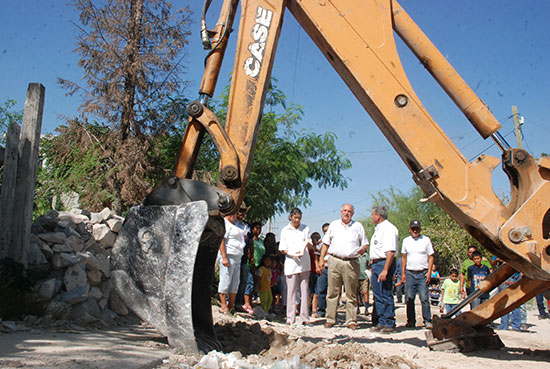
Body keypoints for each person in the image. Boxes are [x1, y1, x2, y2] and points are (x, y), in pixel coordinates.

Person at [319, 204, 368, 329]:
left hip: (351, 262)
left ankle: (351, 320)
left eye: (349, 211)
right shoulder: (333, 225)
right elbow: (325, 244)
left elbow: (365, 244)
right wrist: (320, 260)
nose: (347, 213)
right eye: (345, 211)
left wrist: (361, 250)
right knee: (332, 292)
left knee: (351, 293)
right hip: (334, 261)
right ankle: (330, 319)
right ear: (340, 212)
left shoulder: (358, 226)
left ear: (353, 213)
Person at [279, 208, 312, 325]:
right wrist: (293, 253)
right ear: (290, 217)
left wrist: (305, 245)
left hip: (304, 262)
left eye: (299, 218)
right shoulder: (285, 230)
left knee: (304, 290)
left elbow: (309, 243)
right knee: (291, 291)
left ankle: (305, 317)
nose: (297, 220)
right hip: (291, 262)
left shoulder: (305, 228)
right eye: (295, 217)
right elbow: (283, 248)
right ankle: (290, 317)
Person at [369, 206, 399, 333]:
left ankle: (389, 322)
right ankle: (381, 321)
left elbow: (390, 252)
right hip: (376, 264)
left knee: (386, 293)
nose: (371, 217)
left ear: (378, 216)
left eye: (372, 215)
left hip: (384, 263)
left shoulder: (389, 229)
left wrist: (385, 269)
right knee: (378, 294)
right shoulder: (378, 229)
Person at [401, 220, 434, 329]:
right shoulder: (406, 241)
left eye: (417, 228)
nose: (415, 230)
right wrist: (403, 273)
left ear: (420, 229)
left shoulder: (426, 240)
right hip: (410, 273)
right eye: (413, 228)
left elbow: (430, 256)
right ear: (410, 229)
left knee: (424, 298)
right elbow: (403, 257)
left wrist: (429, 273)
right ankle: (411, 321)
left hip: (422, 273)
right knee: (409, 298)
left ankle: (427, 320)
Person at [218, 211, 247, 314]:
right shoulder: (225, 223)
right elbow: (221, 240)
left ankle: (231, 305)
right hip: (229, 255)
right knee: (225, 279)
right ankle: (223, 305)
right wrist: (224, 256)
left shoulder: (236, 224)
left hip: (238, 256)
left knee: (235, 282)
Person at [314, 223, 330, 317]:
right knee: (321, 290)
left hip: (333, 268)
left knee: (333, 292)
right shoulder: (320, 243)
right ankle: (321, 310)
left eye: (328, 230)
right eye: (325, 231)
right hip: (323, 268)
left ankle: (333, 312)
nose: (327, 232)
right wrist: (317, 266)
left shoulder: (336, 241)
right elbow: (316, 256)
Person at [310, 232, 322, 318]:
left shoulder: (320, 250)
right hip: (310, 271)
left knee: (316, 292)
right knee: (309, 292)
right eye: (315, 238)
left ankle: (314, 310)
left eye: (318, 238)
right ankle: (306, 309)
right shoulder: (309, 249)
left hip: (317, 272)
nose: (316, 240)